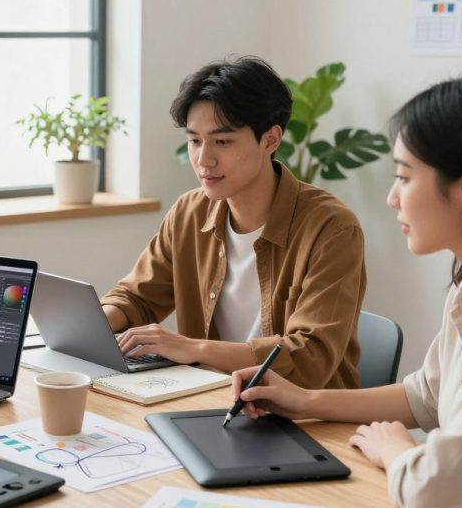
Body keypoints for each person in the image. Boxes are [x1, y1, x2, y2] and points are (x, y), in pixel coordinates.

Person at [231, 72, 462, 508]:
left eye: (404, 176)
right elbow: (426, 396)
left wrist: (398, 451)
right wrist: (306, 400)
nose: (393, 198)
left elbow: (435, 494)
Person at [102, 57, 366, 388]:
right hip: (210, 401)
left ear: (270, 140)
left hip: (304, 419)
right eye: (195, 140)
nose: (203, 160)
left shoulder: (332, 228)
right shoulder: (189, 213)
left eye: (222, 141)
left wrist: (193, 348)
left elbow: (309, 356)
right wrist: (95, 324)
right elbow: (137, 298)